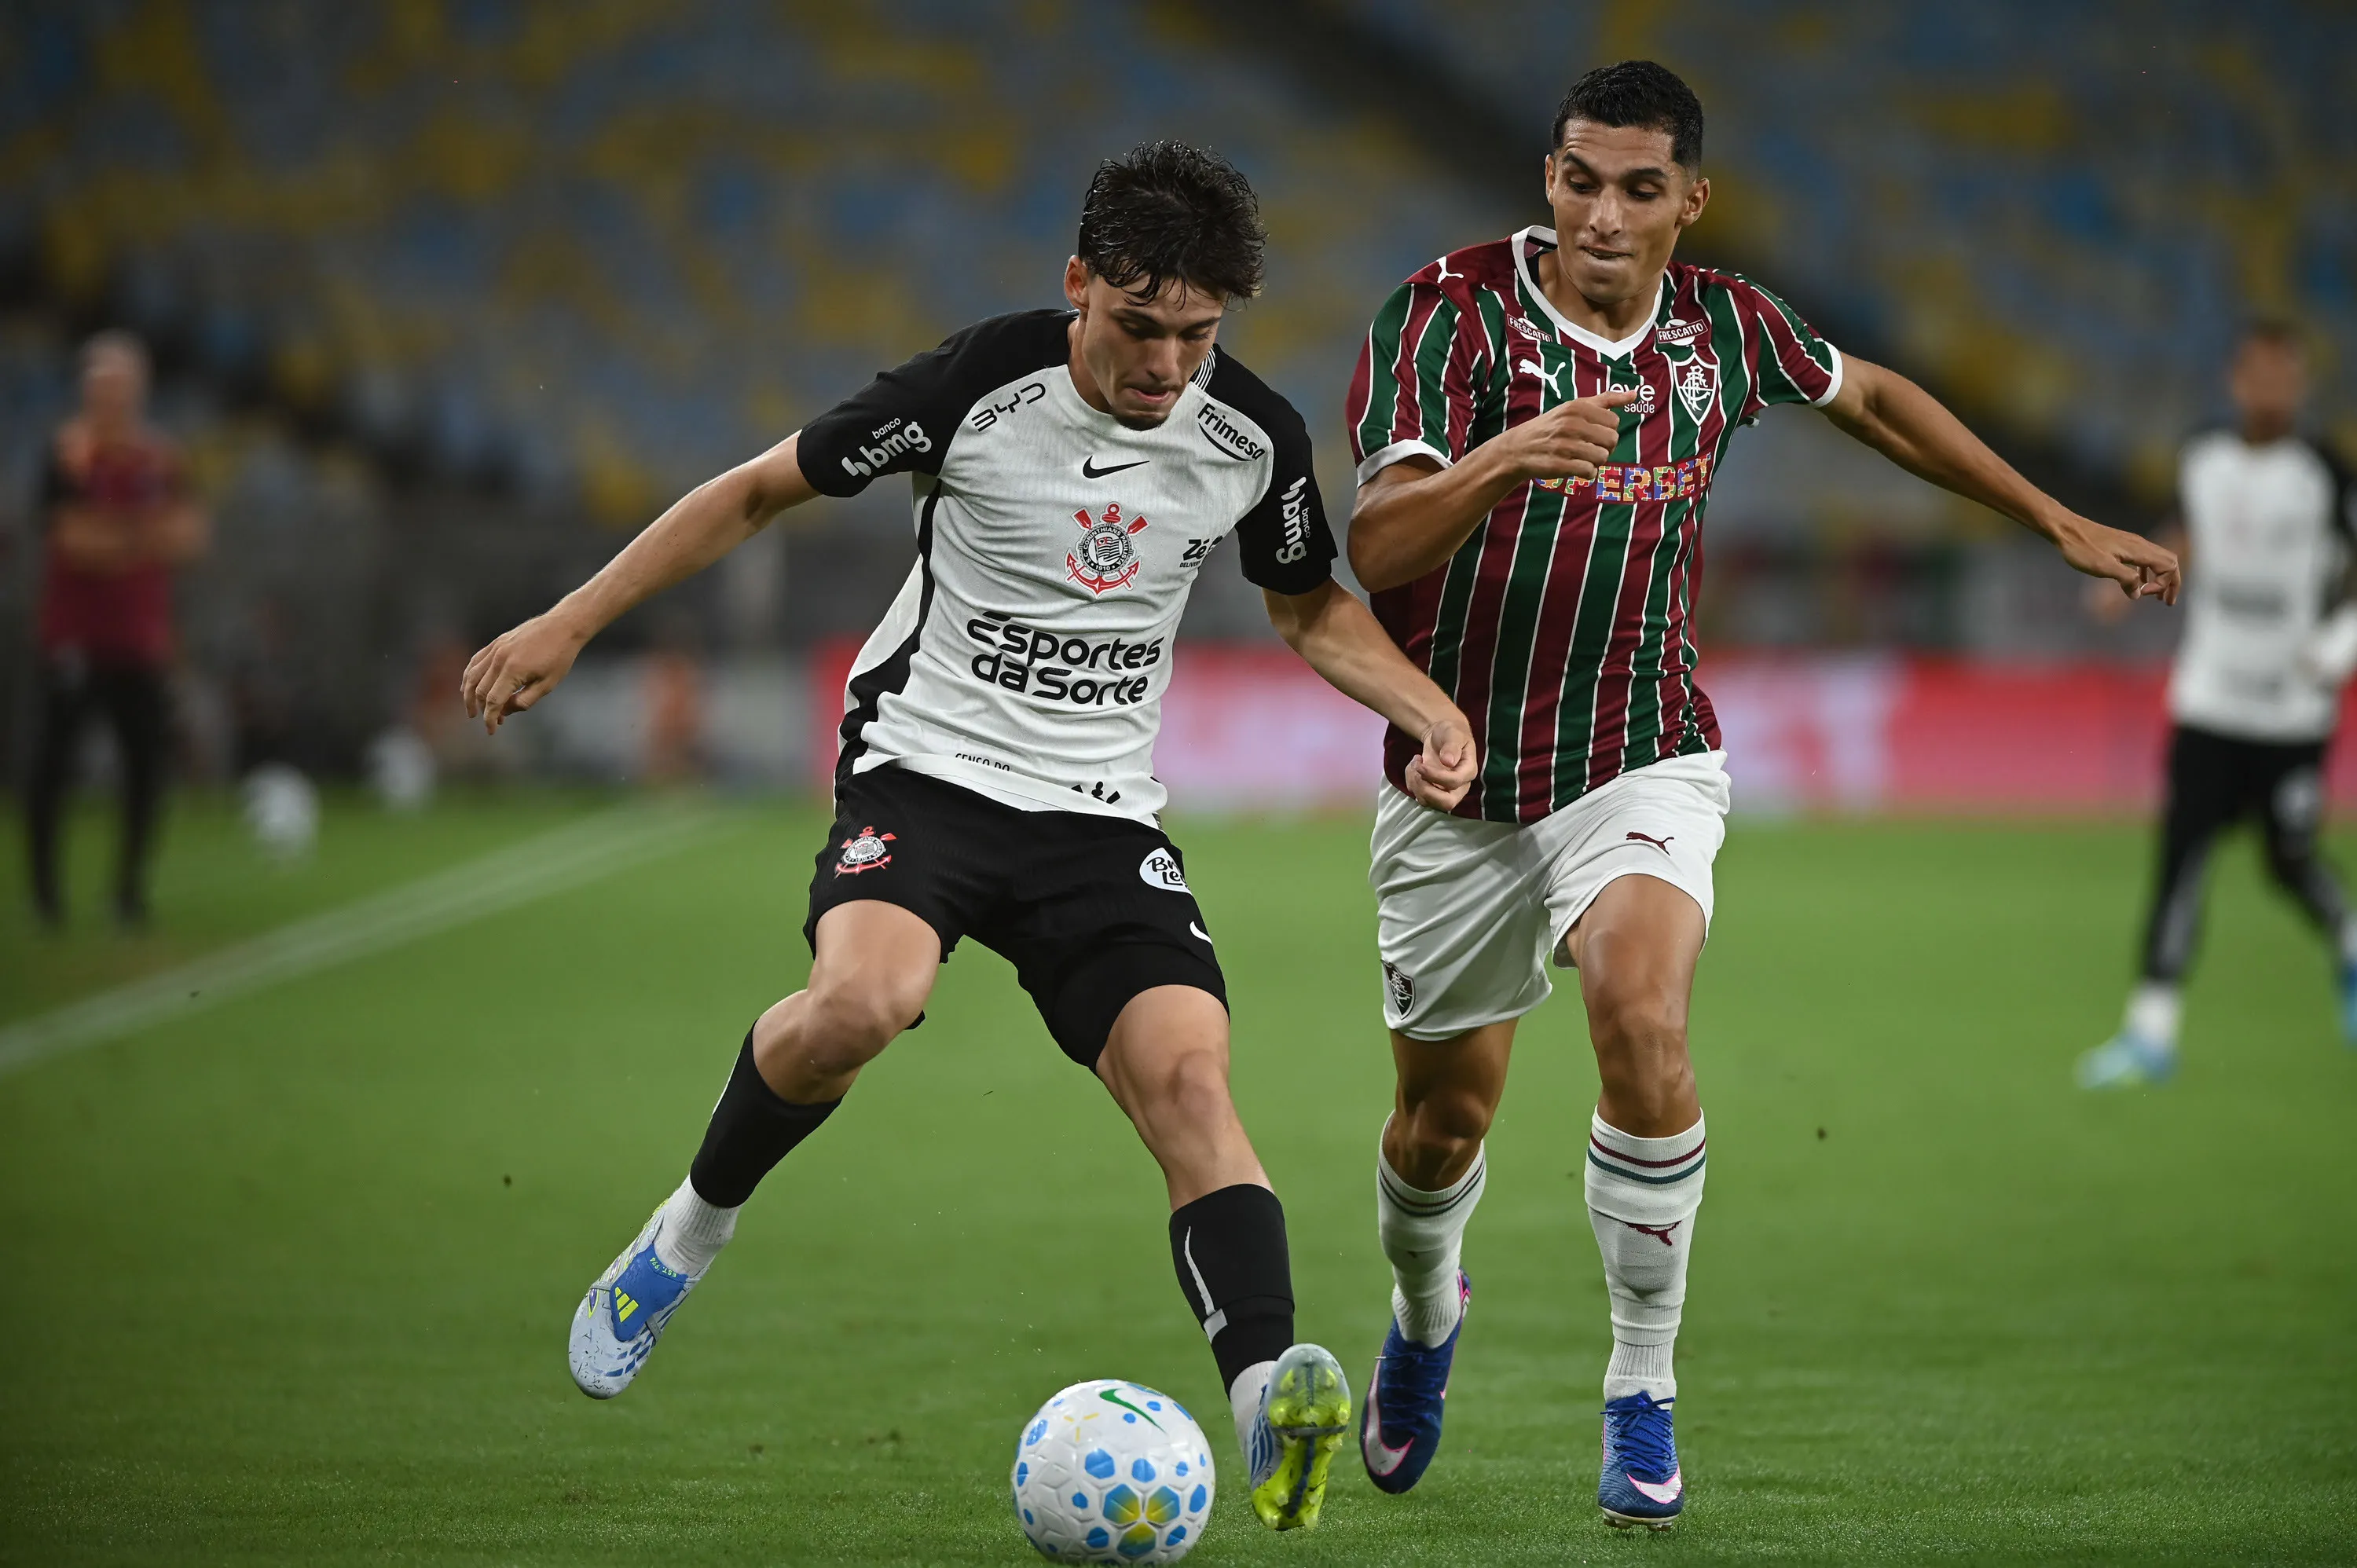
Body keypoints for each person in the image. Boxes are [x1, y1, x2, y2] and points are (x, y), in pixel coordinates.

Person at [460, 141, 1477, 1534]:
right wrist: (569, 620)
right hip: (925, 776)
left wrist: (1426, 707)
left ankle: (1262, 1409)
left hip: (1101, 815)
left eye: (1197, 333)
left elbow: (1307, 605)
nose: (1169, 363)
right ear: (1077, 287)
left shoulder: (1253, 435)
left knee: (1191, 1083)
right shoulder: (975, 388)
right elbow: (760, 490)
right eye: (1139, 326)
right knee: (865, 1003)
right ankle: (686, 1232)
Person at [1338, 61, 2179, 1529]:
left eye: (1639, 188)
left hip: (1641, 746)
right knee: (1438, 1131)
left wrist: (2056, 517)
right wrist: (1511, 456)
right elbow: (1380, 542)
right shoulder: (1449, 314)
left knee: (1643, 1022)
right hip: (1457, 776)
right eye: (1581, 179)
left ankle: (1640, 1389)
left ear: (1690, 201)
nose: (1605, 214)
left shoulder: (1726, 325)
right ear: (1549, 179)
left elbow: (1879, 401)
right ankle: (1420, 1322)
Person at [2079, 323, 2357, 1088]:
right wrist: (2125, 580)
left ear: (2300, 385)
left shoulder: (2325, 473)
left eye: (2285, 376)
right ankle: (2150, 1032)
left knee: (2288, 857)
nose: (2271, 389)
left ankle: (2349, 938)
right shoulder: (2203, 456)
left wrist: (2341, 645)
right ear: (2236, 381)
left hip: (2293, 707)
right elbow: (2186, 534)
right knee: (2181, 858)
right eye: (2259, 374)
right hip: (2209, 695)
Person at [24, 331, 208, 930]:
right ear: (87, 391)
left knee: (145, 764)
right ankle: (46, 893)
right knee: (54, 765)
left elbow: (192, 536)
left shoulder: (161, 457)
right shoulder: (68, 456)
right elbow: (74, 543)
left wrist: (118, 537)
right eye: (102, 385)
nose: (113, 397)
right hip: (75, 636)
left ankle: (128, 890)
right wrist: (146, 537)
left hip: (139, 636)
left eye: (122, 385)